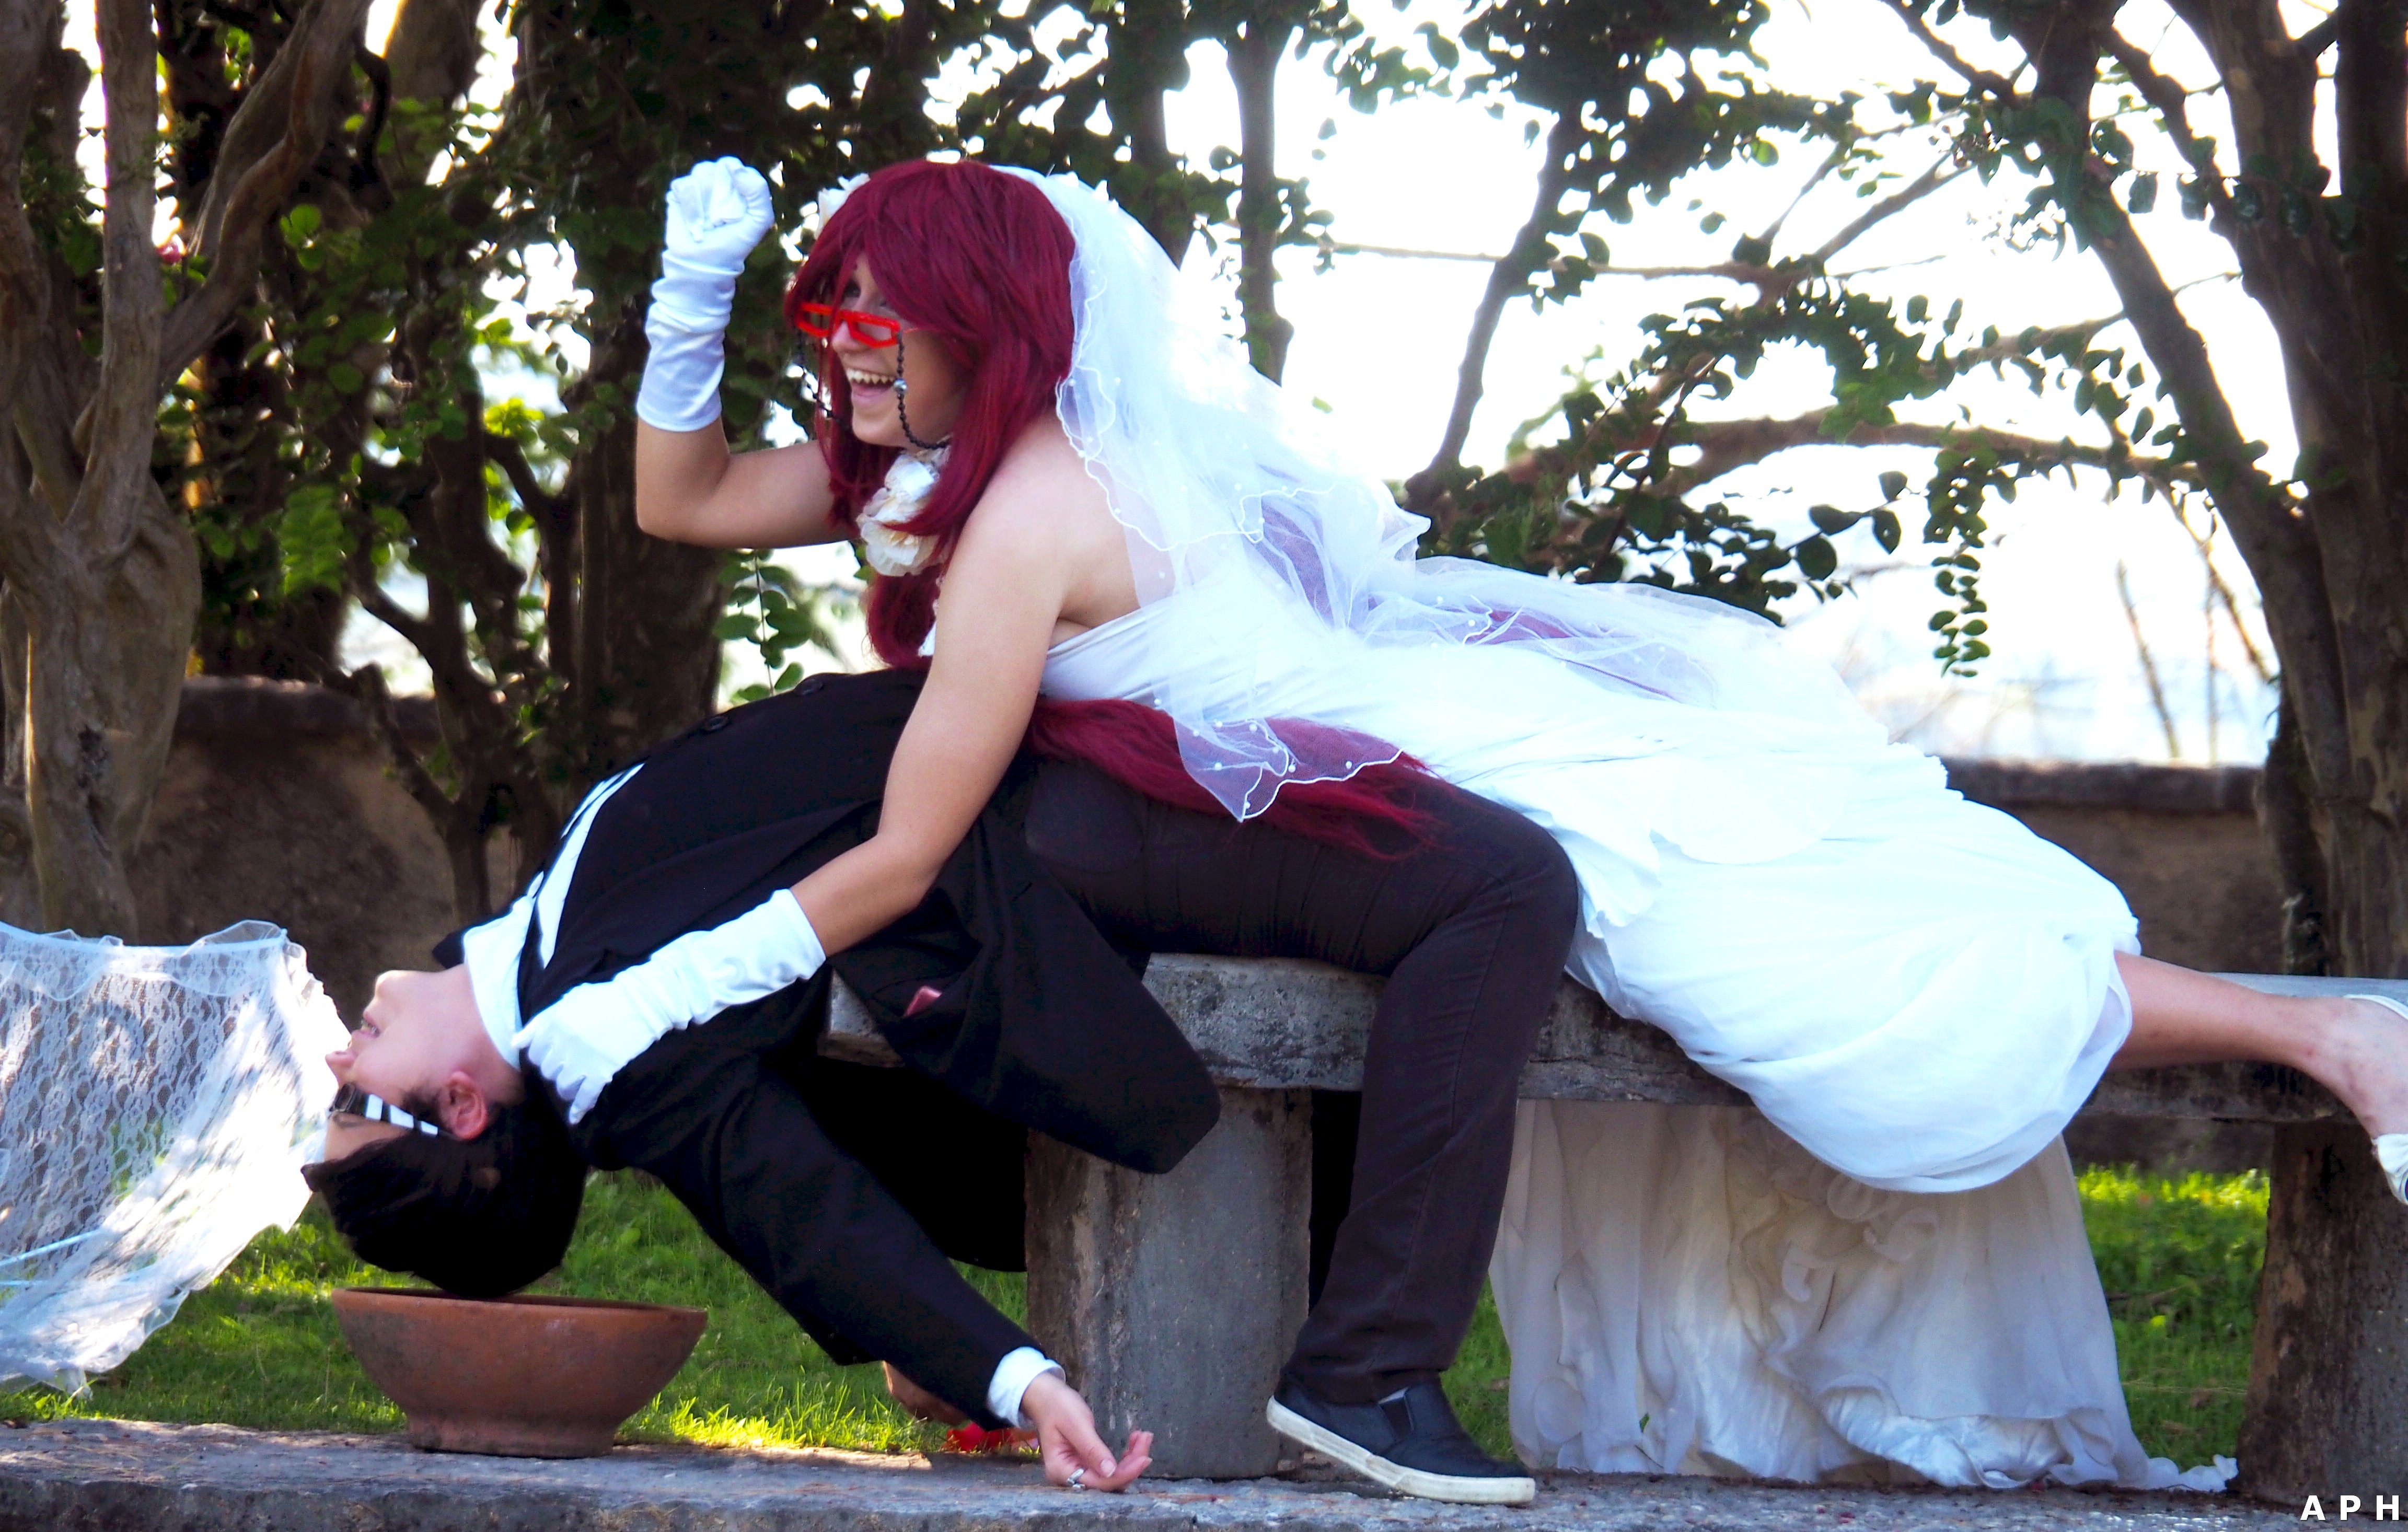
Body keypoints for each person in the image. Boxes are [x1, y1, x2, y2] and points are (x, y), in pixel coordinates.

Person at [625, 151, 2408, 1492]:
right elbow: (682, 500)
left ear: (982, 325)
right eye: (822, 318)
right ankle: (2315, 1031)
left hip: (1404, 746)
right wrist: (689, 299)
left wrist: (689, 968)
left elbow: (918, 834)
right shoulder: (928, 467)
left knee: (1800, 925)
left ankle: (2319, 1032)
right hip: (1325, 754)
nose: (840, 356)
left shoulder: (1024, 511)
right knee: (1776, 893)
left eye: (871, 321)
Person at [308, 664, 1578, 1504]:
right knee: (1501, 883)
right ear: (462, 1108)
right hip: (1059, 826)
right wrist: (1012, 1378)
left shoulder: (537, 945)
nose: (338, 1060)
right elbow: (798, 1211)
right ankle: (1371, 1370)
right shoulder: (599, 1040)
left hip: (1056, 722)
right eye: (360, 1105)